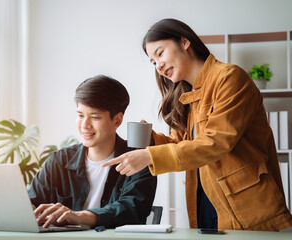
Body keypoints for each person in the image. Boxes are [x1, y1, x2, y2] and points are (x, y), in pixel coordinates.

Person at [102, 19, 292, 231]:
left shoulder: (230, 78)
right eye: (153, 62)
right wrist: (151, 140)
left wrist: (149, 156)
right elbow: (180, 143)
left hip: (247, 208)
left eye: (160, 53)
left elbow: (216, 141)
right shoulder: (186, 95)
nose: (159, 65)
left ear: (184, 42)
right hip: (205, 203)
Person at [28, 75, 157, 228]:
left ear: (117, 120)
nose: (85, 125)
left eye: (94, 117)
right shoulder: (58, 161)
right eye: (80, 115)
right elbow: (31, 203)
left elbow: (132, 210)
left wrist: (79, 216)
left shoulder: (139, 159)